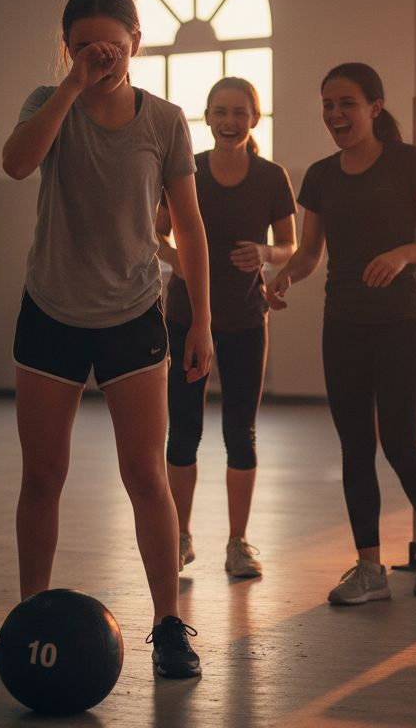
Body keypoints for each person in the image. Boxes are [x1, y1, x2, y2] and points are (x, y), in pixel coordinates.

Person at [0, 0, 214, 678]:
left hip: (130, 315)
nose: (102, 60)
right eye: (86, 48)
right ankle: (27, 621)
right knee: (43, 475)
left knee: (146, 477)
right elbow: (15, 162)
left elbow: (189, 227)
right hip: (52, 310)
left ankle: (168, 624)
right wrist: (69, 88)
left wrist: (201, 320)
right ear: (67, 49)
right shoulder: (46, 104)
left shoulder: (166, 121)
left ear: (136, 45)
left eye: (113, 49)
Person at [266, 62, 416, 605]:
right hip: (344, 324)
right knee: (355, 447)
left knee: (400, 442)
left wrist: (405, 254)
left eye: (346, 103)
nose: (335, 114)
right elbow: (310, 253)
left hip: (400, 321)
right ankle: (370, 567)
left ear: (375, 107)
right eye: (327, 105)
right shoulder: (321, 175)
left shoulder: (408, 163)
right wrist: (284, 276)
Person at [155, 77, 296, 579]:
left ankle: (238, 542)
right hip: (185, 318)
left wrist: (265, 254)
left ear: (254, 118)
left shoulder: (272, 176)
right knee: (184, 430)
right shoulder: (185, 171)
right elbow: (156, 233)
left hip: (243, 319)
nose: (229, 122)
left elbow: (289, 246)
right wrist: (179, 261)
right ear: (207, 118)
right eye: (220, 112)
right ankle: (181, 537)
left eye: (239, 113)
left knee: (241, 431)